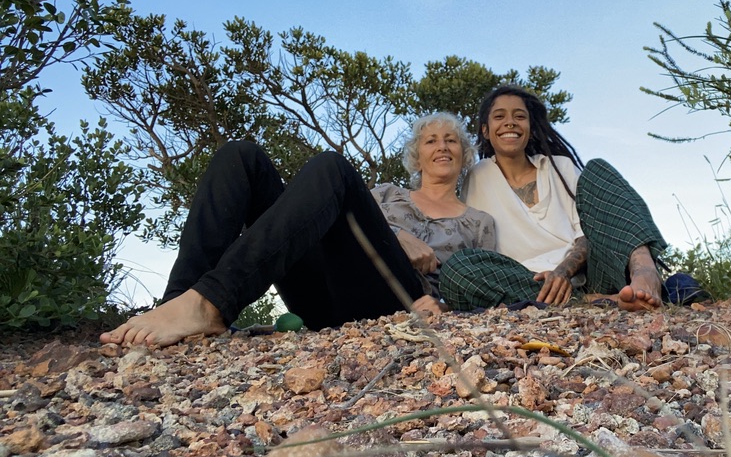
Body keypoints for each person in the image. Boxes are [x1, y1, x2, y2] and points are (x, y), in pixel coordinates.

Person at [100, 112, 494, 347]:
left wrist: (444, 305)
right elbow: (338, 223)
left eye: (451, 140)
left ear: (464, 153)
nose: (442, 146)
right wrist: (398, 235)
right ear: (417, 154)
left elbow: (482, 286)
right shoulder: (385, 195)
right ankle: (181, 301)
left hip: (397, 300)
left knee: (331, 166)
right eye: (431, 140)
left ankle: (210, 302)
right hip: (322, 297)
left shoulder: (478, 221)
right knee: (242, 156)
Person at [439, 84, 668, 312]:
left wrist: (563, 271)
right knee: (457, 270)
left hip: (590, 274)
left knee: (598, 169)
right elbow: (474, 243)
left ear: (530, 127)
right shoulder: (477, 178)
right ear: (486, 130)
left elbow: (587, 233)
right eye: (499, 116)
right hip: (525, 281)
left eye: (520, 116)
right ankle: (594, 301)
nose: (510, 122)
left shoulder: (560, 167)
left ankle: (645, 274)